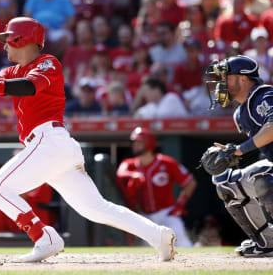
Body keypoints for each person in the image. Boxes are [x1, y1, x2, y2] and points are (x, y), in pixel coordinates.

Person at [0, 16, 177, 262]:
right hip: (52, 149)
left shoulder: (48, 63)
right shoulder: (12, 71)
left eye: (8, 40)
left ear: (22, 39)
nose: (4, 45)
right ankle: (158, 235)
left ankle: (44, 238)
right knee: (95, 208)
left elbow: (28, 86)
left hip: (49, 141)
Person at [201, 55, 273, 257]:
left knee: (265, 180)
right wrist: (231, 152)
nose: (221, 83)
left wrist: (240, 149)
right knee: (226, 183)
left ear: (243, 79)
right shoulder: (240, 113)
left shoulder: (263, 95)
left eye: (226, 78)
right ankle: (266, 242)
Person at [116, 127, 197, 247]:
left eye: (139, 142)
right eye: (134, 142)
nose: (135, 145)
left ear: (149, 143)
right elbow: (120, 173)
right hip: (144, 216)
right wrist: (134, 175)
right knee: (148, 250)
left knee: (181, 240)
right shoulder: (130, 164)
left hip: (167, 213)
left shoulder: (167, 162)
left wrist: (180, 205)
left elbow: (190, 182)